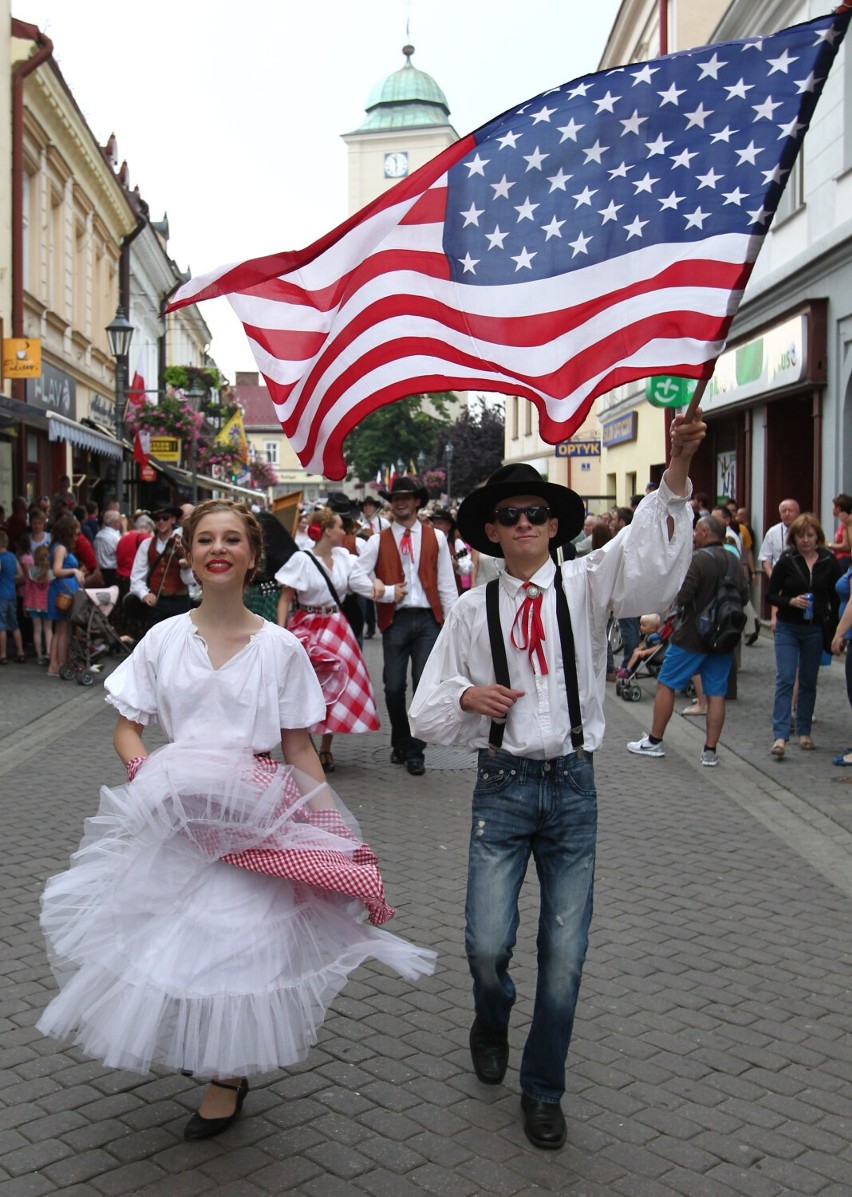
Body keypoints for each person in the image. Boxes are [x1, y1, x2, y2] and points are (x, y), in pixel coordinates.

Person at [37, 499, 434, 1140]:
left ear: (252, 557)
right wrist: (151, 782)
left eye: (231, 540)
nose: (217, 549)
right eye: (204, 540)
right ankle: (213, 1054)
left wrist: (337, 834)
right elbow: (127, 729)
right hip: (177, 816)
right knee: (175, 941)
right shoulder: (164, 637)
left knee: (236, 940)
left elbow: (299, 748)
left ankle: (227, 1073)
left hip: (254, 817)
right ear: (189, 556)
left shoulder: (281, 647)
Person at [408, 413, 704, 1150]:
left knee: (565, 957)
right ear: (493, 531)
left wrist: (673, 474)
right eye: (510, 515)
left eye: (536, 511)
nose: (525, 523)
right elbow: (423, 712)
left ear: (553, 523)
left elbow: (652, 569)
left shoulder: (586, 582)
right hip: (502, 787)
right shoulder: (473, 611)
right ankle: (490, 1010)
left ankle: (543, 1088)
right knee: (486, 943)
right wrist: (468, 699)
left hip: (573, 787)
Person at [627, 516, 749, 766]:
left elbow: (683, 596)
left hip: (692, 636)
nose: (694, 534)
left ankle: (655, 740)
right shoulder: (734, 561)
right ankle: (710, 751)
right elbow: (744, 596)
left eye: (696, 530)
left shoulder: (699, 559)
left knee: (666, 683)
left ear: (704, 532)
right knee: (716, 693)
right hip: (723, 637)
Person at [359, 476, 458, 776]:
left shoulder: (436, 538)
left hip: (428, 620)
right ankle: (400, 739)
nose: (400, 501)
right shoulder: (377, 540)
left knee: (423, 688)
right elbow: (356, 577)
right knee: (392, 687)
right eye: (395, 497)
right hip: (396, 619)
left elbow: (446, 584)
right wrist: (386, 592)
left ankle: (416, 750)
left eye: (406, 496)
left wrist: (453, 626)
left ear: (417, 501)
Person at [275, 505, 382, 773]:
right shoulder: (302, 559)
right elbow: (286, 597)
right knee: (308, 687)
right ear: (326, 531)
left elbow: (364, 580)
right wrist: (280, 632)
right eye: (339, 526)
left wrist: (381, 585)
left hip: (337, 625)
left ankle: (325, 749)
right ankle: (306, 745)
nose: (344, 531)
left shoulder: (344, 556)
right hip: (307, 624)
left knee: (339, 684)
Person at [766, 513, 843, 757]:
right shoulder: (787, 560)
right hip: (788, 627)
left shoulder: (828, 561)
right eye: (801, 535)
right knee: (786, 677)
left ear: (818, 537)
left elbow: (835, 595)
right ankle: (780, 736)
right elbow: (770, 594)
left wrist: (835, 627)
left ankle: (804, 731)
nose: (806, 540)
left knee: (809, 681)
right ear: (793, 538)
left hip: (815, 628)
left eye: (810, 535)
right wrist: (789, 601)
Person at [128, 500, 192, 629]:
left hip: (180, 601)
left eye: (165, 518)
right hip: (157, 602)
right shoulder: (146, 545)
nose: (161, 521)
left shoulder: (183, 542)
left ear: (173, 520)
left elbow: (191, 578)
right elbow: (136, 576)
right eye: (157, 518)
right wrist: (144, 594)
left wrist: (186, 564)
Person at [46, 514, 85, 677]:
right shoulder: (61, 548)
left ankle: (54, 664)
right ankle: (59, 664)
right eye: (75, 532)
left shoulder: (58, 546)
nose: (76, 536)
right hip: (62, 592)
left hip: (62, 590)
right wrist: (74, 571)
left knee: (59, 630)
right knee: (63, 630)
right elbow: (56, 570)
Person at [429, 508, 473, 593]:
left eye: (440, 523)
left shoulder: (456, 543)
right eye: (434, 523)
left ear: (448, 526)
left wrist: (457, 566)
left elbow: (468, 566)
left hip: (451, 589)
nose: (435, 526)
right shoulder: (427, 542)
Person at [0, 530, 26, 664]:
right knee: (14, 624)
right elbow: (21, 574)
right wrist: (10, 578)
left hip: (1, 595)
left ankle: (3, 655)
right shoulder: (11, 556)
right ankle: (20, 651)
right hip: (12, 594)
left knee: (1, 626)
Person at [24, 543, 52, 665]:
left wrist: (25, 604)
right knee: (48, 629)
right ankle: (49, 652)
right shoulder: (51, 573)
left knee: (37, 630)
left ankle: (39, 655)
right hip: (47, 605)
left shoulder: (32, 572)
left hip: (33, 604)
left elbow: (27, 589)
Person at [94, 510, 122, 587]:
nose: (121, 522)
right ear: (115, 522)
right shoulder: (115, 538)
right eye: (120, 520)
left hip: (99, 570)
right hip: (113, 572)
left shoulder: (98, 535)